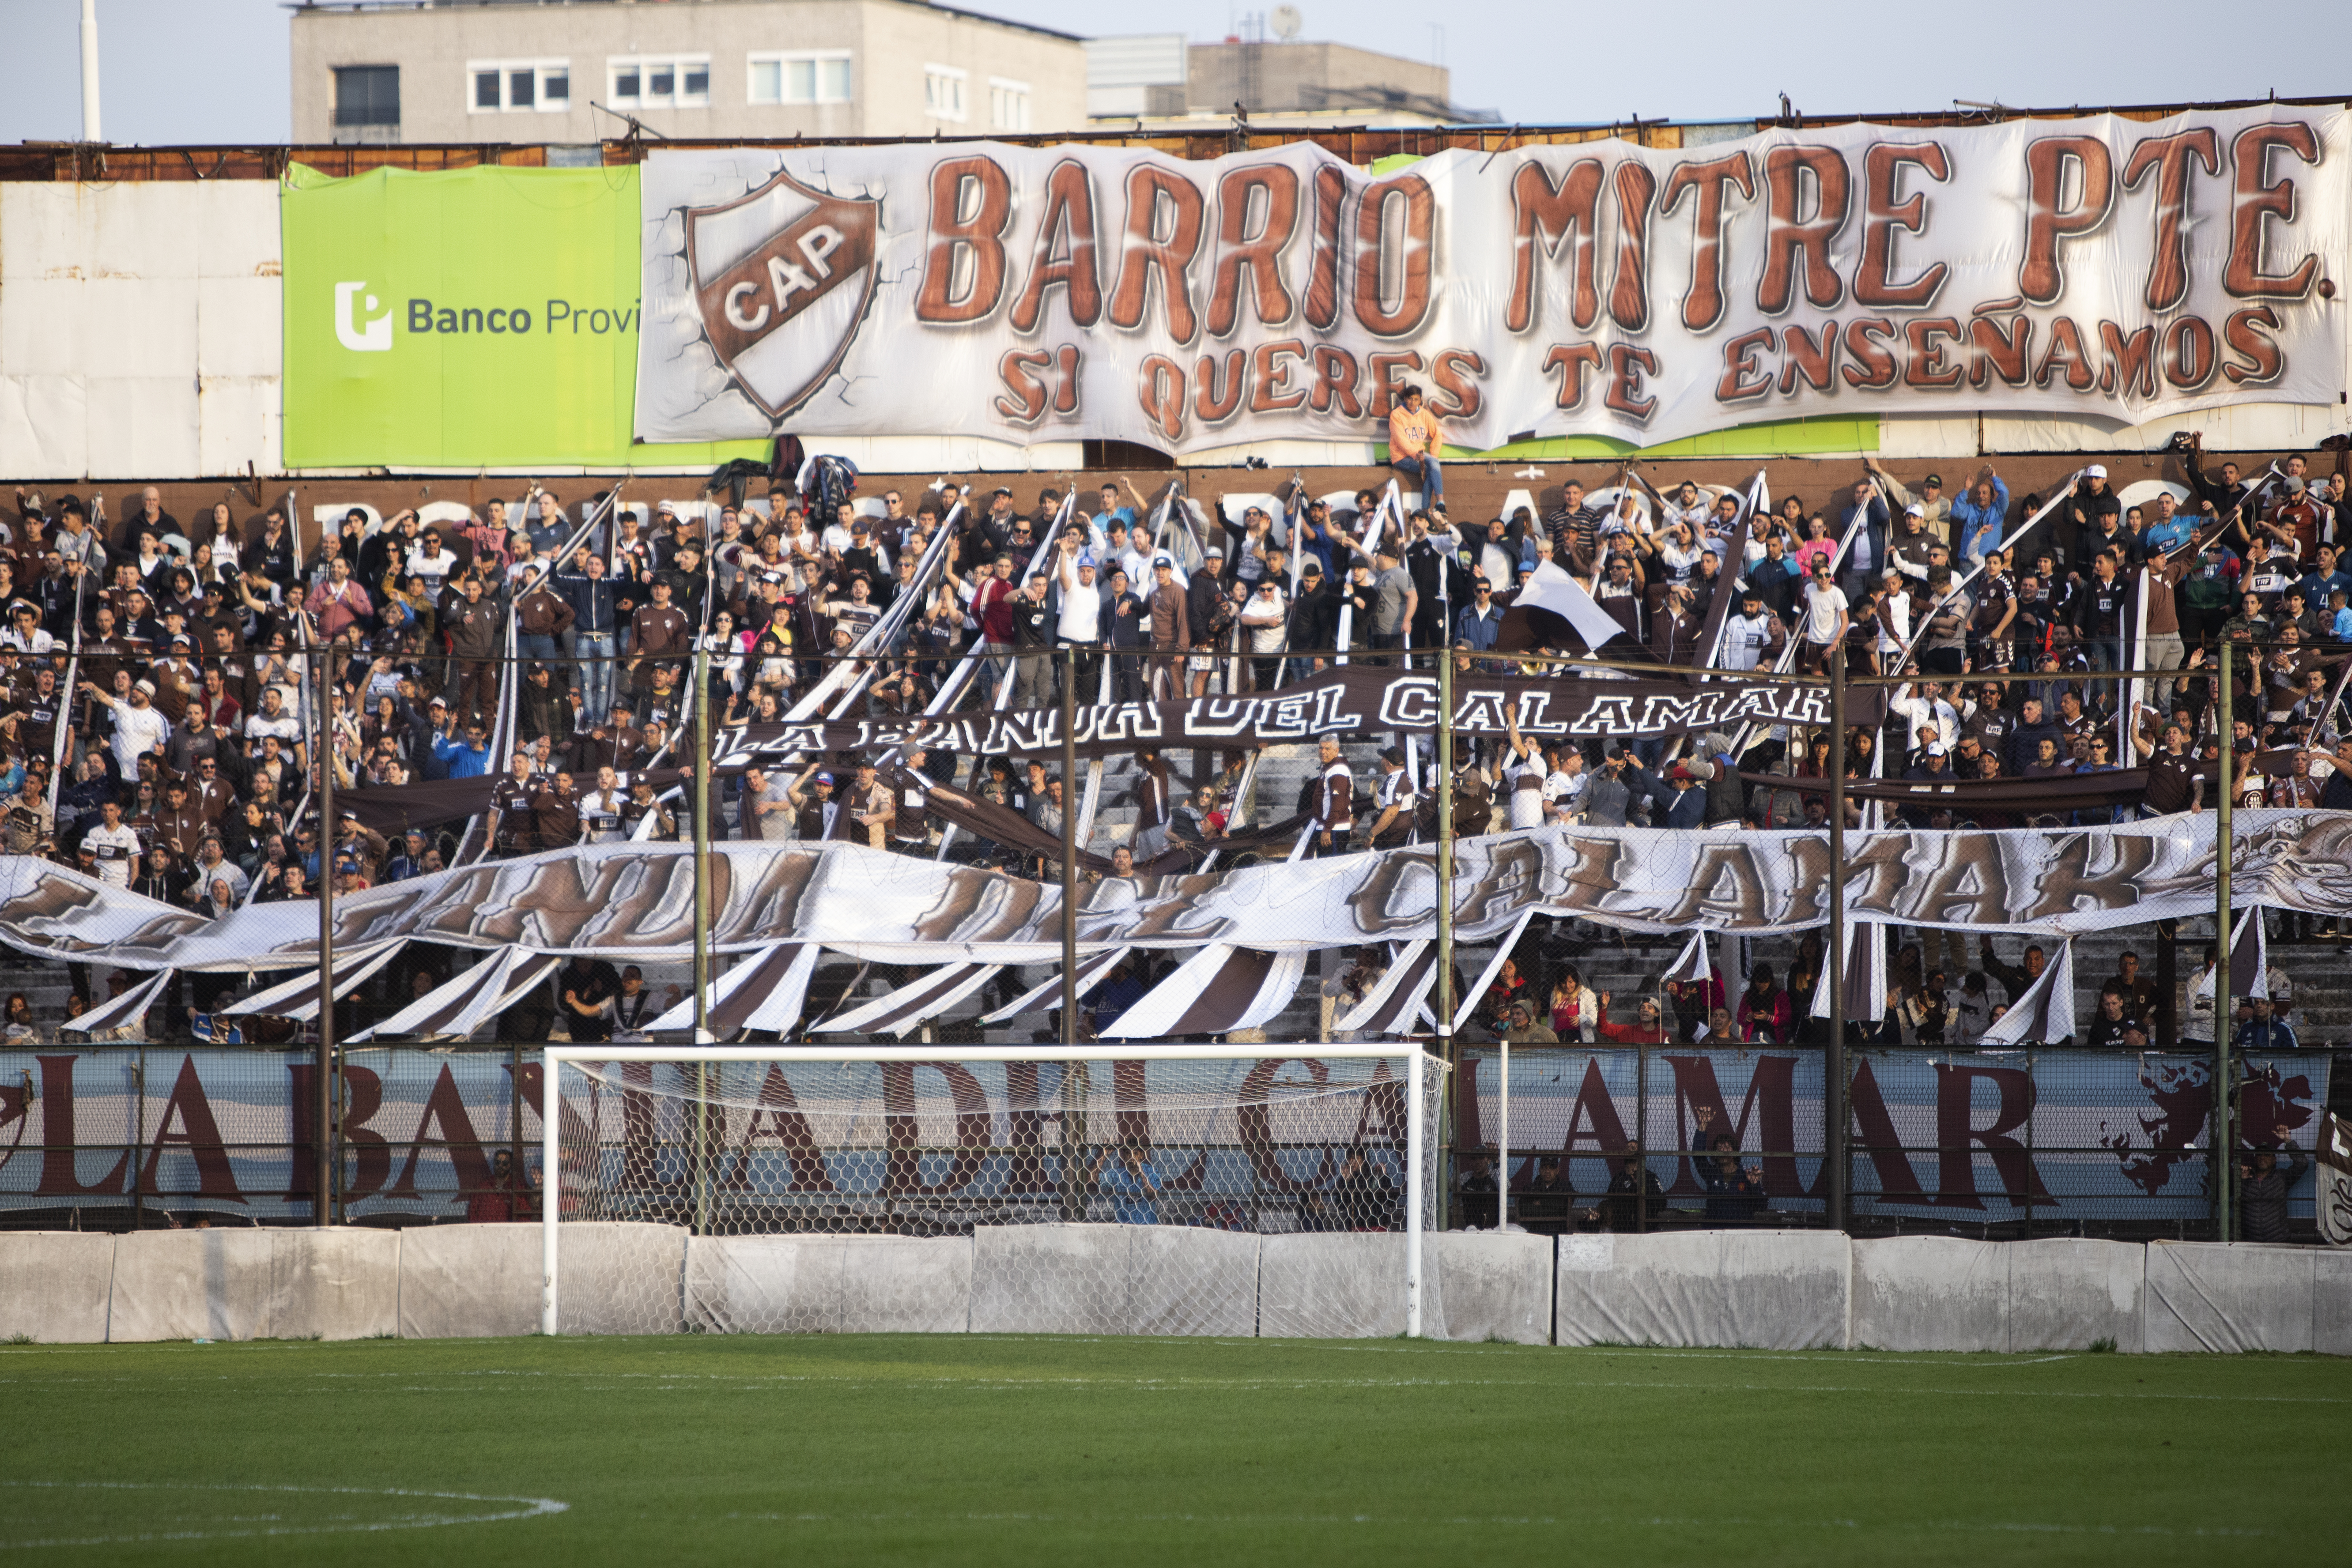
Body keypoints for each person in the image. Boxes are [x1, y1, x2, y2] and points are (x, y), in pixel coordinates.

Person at [2236, 1124, 2309, 1244]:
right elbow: (2228, 1196)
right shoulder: (2246, 1178)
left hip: (2278, 1240)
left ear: (2274, 1159)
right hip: (2250, 1242)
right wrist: (2242, 1181)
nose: (2262, 1158)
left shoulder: (2282, 1177)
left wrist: (2288, 1141)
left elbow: (2302, 1164)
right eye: (2259, 1155)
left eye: (2267, 1155)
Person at [1387, 384, 1444, 504]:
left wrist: (1433, 456)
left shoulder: (1424, 414)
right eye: (1410, 399)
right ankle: (1432, 507)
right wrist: (1415, 454)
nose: (1413, 403)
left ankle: (1439, 504)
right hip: (1401, 457)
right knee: (1431, 470)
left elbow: (1438, 435)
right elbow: (1401, 440)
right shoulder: (1396, 415)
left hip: (1419, 455)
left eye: (1416, 399)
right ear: (1405, 399)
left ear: (1420, 400)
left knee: (1433, 466)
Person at [1090, 1141, 1162, 1225]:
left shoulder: (1151, 1171)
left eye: (1135, 1153)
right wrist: (1104, 1155)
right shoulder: (1118, 1174)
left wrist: (1142, 1174)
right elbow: (1092, 1180)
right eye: (1128, 1154)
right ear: (1124, 1157)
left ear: (1142, 1156)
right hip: (1124, 1226)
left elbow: (1153, 1197)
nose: (1132, 1157)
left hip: (1147, 1225)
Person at [558, 953, 623, 1042]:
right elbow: (562, 1003)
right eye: (582, 963)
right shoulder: (569, 974)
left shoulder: (605, 970)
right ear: (576, 961)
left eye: (589, 963)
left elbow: (619, 990)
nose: (586, 967)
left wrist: (602, 990)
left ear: (593, 960)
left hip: (602, 1018)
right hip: (579, 1022)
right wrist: (579, 997)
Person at [465, 1148, 536, 1224]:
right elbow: (472, 1211)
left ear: (510, 1165)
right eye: (498, 1163)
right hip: (485, 1230)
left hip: (508, 1231)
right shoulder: (483, 1186)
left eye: (505, 1164)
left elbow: (525, 1213)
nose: (500, 1166)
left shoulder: (517, 1187)